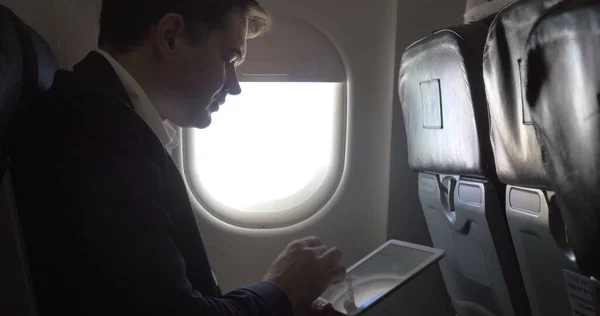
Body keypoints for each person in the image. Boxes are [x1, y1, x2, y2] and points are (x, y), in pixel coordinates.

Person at [10, 0, 346, 315]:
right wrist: (280, 291)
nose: (235, 86)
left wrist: (279, 303)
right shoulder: (99, 137)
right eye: (229, 59)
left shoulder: (114, 123)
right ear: (170, 37)